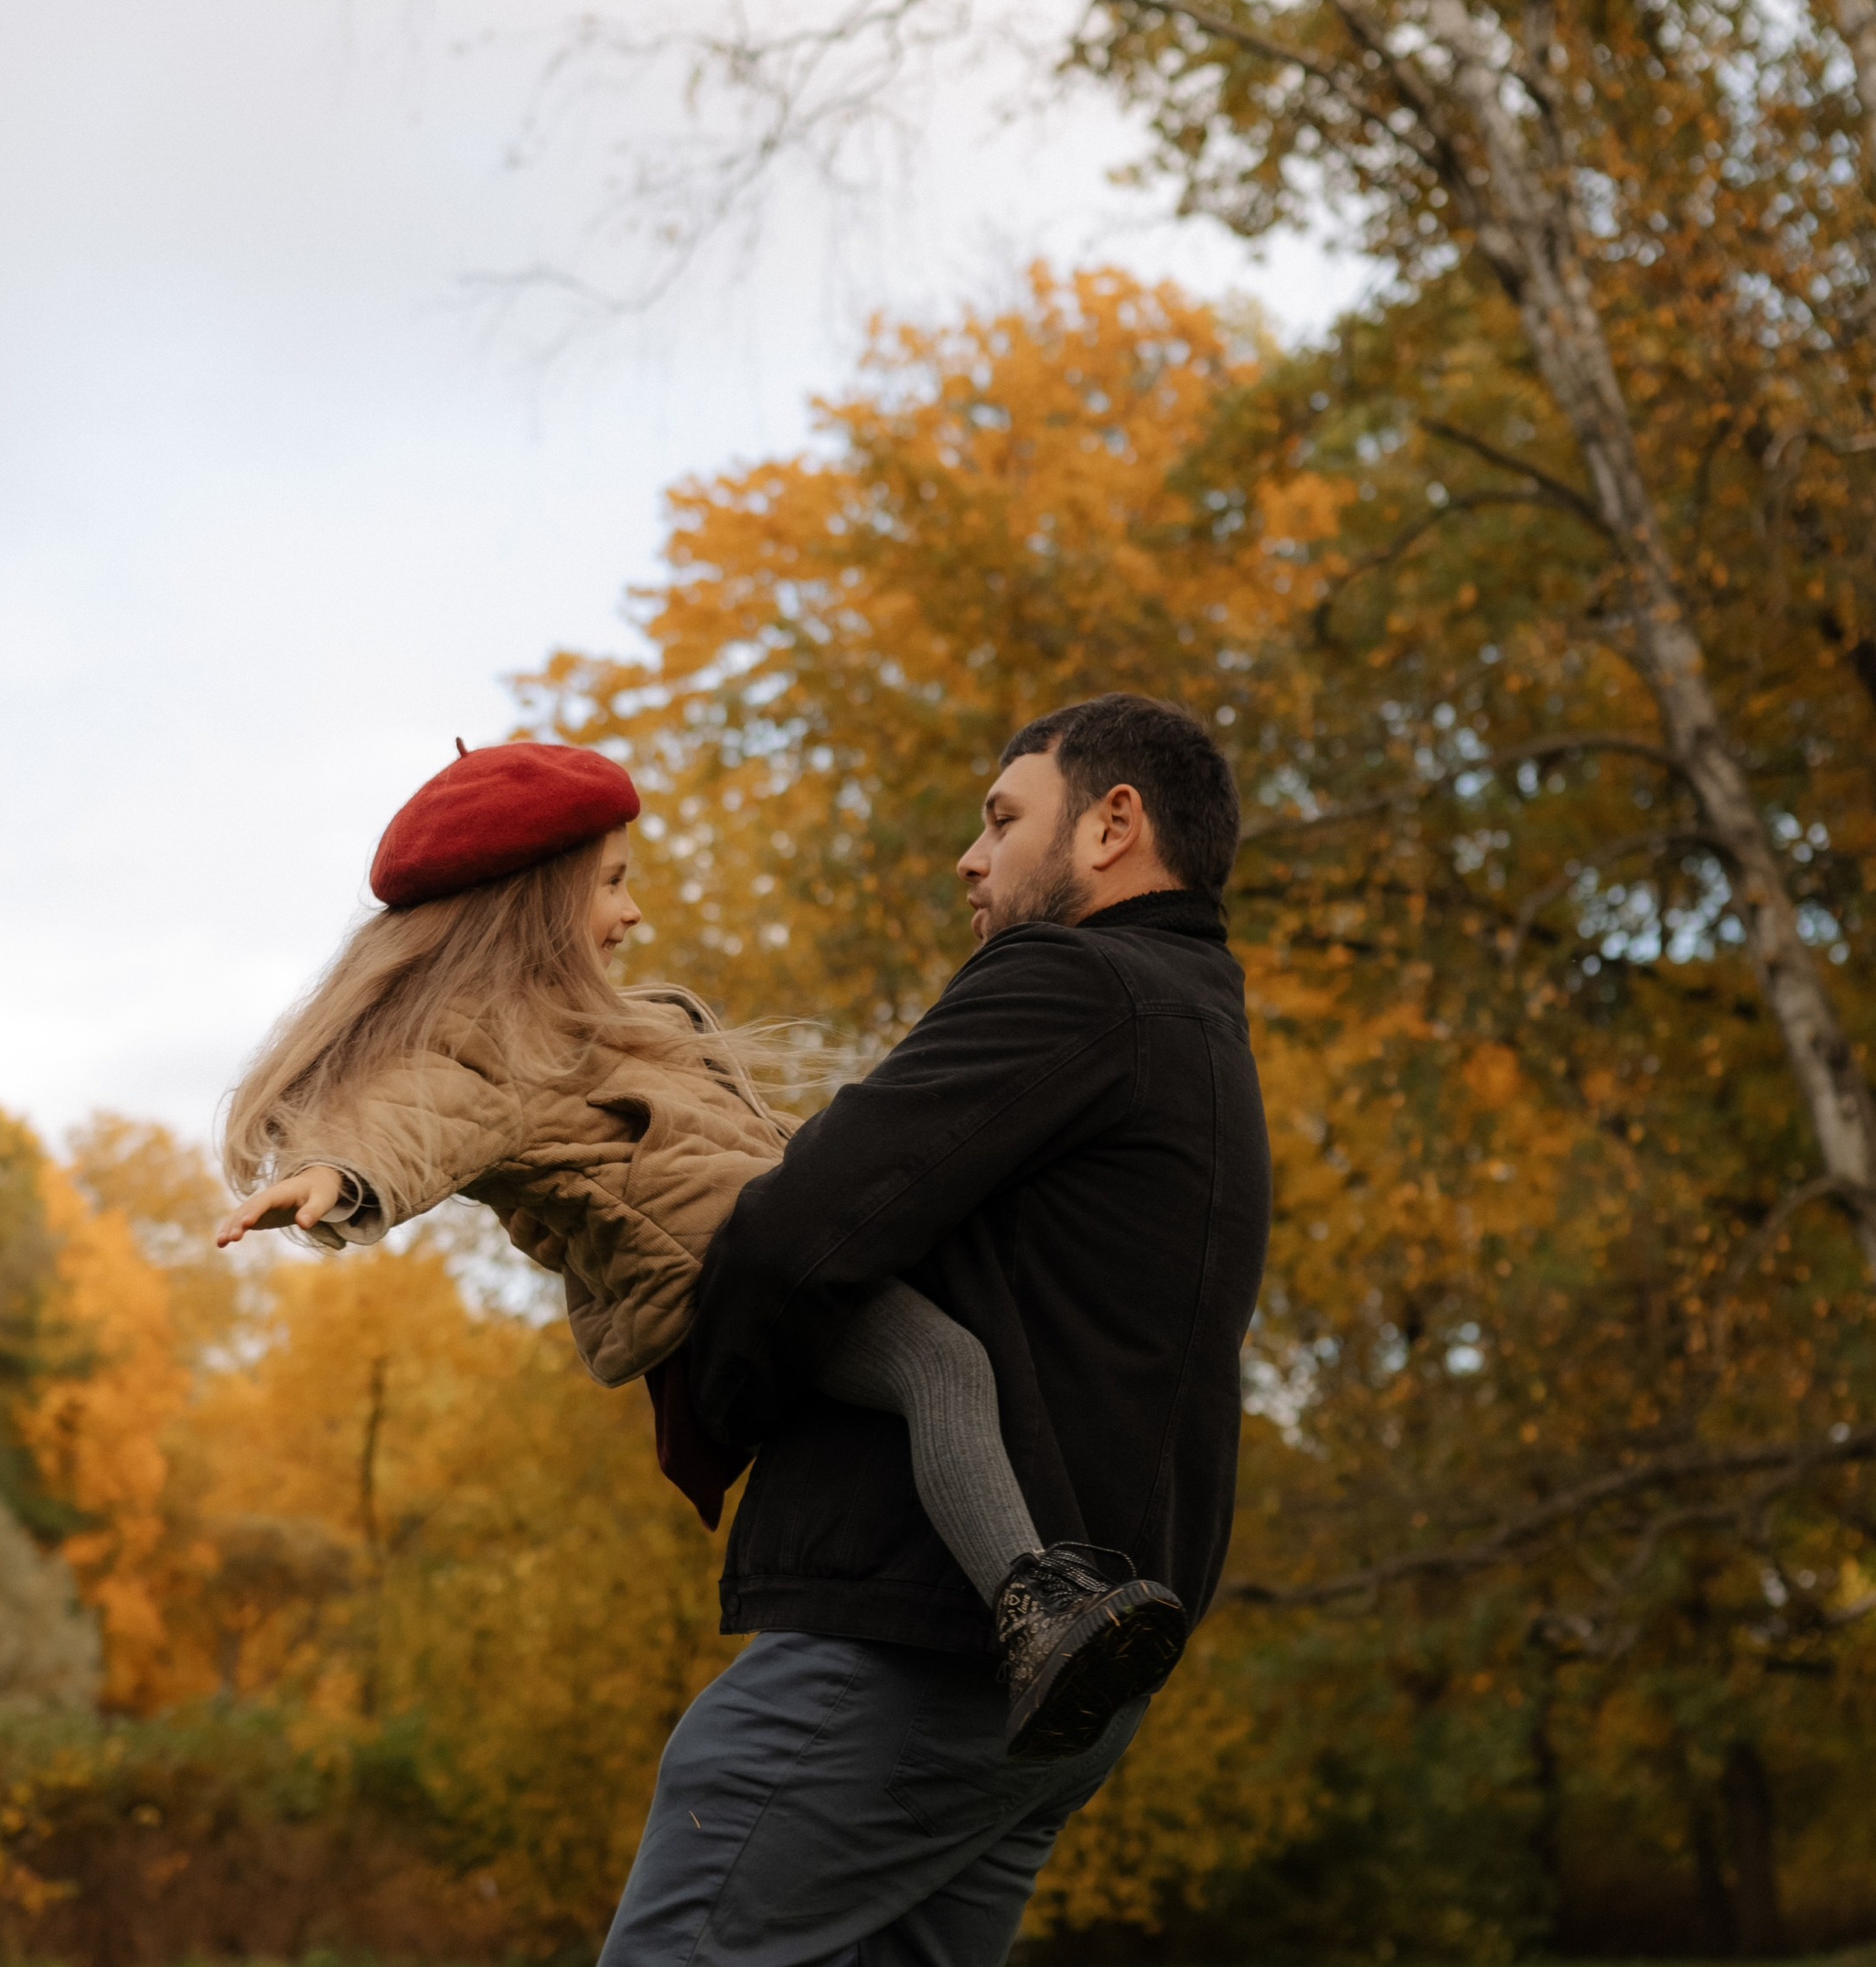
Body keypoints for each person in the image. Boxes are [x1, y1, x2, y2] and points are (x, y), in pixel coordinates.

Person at [574, 689, 1272, 1967]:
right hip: (1067, 1652)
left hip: (919, 1632)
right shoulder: (1192, 1029)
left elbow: (802, 1224)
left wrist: (700, 1377)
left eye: (999, 818)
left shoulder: (1067, 991)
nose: (971, 863)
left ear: (1111, 829)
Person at [213, 737, 1186, 1758]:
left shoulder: (607, 1027)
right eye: (613, 886)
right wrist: (340, 1177)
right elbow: (410, 1114)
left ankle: (1031, 1587)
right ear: (534, 903)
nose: (633, 913)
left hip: (777, 1255)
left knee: (962, 1327)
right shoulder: (491, 1046)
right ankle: (1031, 1606)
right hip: (729, 1287)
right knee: (939, 1364)